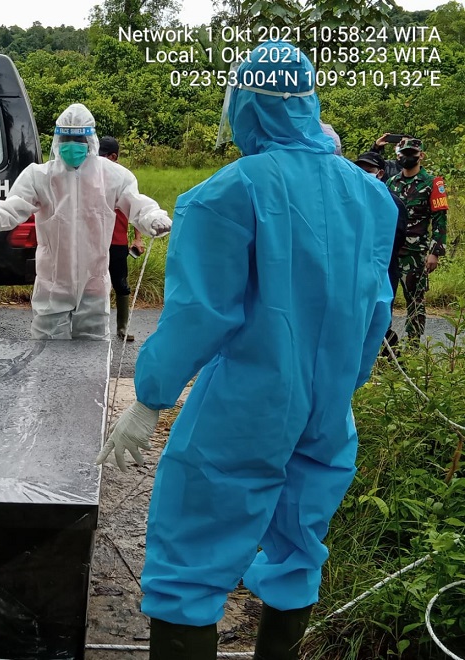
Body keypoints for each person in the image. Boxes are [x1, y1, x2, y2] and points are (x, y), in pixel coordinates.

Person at [96, 41, 397, 659]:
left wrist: (149, 400)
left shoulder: (227, 194)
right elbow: (376, 309)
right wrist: (341, 385)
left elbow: (200, 315)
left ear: (246, 104)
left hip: (245, 407)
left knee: (190, 558)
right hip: (328, 410)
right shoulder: (370, 196)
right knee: (299, 547)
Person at [0, 103, 171, 340]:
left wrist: (153, 217)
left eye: (78, 140)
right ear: (57, 140)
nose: (72, 145)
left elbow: (136, 202)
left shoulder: (112, 176)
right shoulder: (40, 176)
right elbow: (13, 208)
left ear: (90, 141)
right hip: (53, 284)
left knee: (91, 351)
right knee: (47, 350)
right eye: (66, 139)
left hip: (93, 284)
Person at [386, 137, 449, 343]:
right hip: (391, 251)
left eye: (411, 154)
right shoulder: (392, 183)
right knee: (385, 298)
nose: (407, 157)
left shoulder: (432, 183)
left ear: (421, 155)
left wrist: (435, 252)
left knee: (415, 301)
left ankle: (413, 345)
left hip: (415, 253)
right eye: (403, 154)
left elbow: (440, 220)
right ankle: (386, 344)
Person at [355, 150, 409, 354]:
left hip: (384, 267)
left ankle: (386, 356)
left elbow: (397, 239)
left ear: (380, 173)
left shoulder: (393, 203)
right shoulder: (350, 199)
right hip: (356, 267)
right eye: (360, 169)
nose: (364, 173)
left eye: (369, 170)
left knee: (381, 314)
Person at [98, 135, 144, 342]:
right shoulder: (90, 177)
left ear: (113, 157)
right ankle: (93, 327)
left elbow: (136, 210)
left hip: (117, 243)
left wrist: (138, 239)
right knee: (92, 284)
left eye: (103, 156)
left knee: (120, 283)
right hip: (94, 241)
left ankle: (122, 328)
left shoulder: (125, 180)